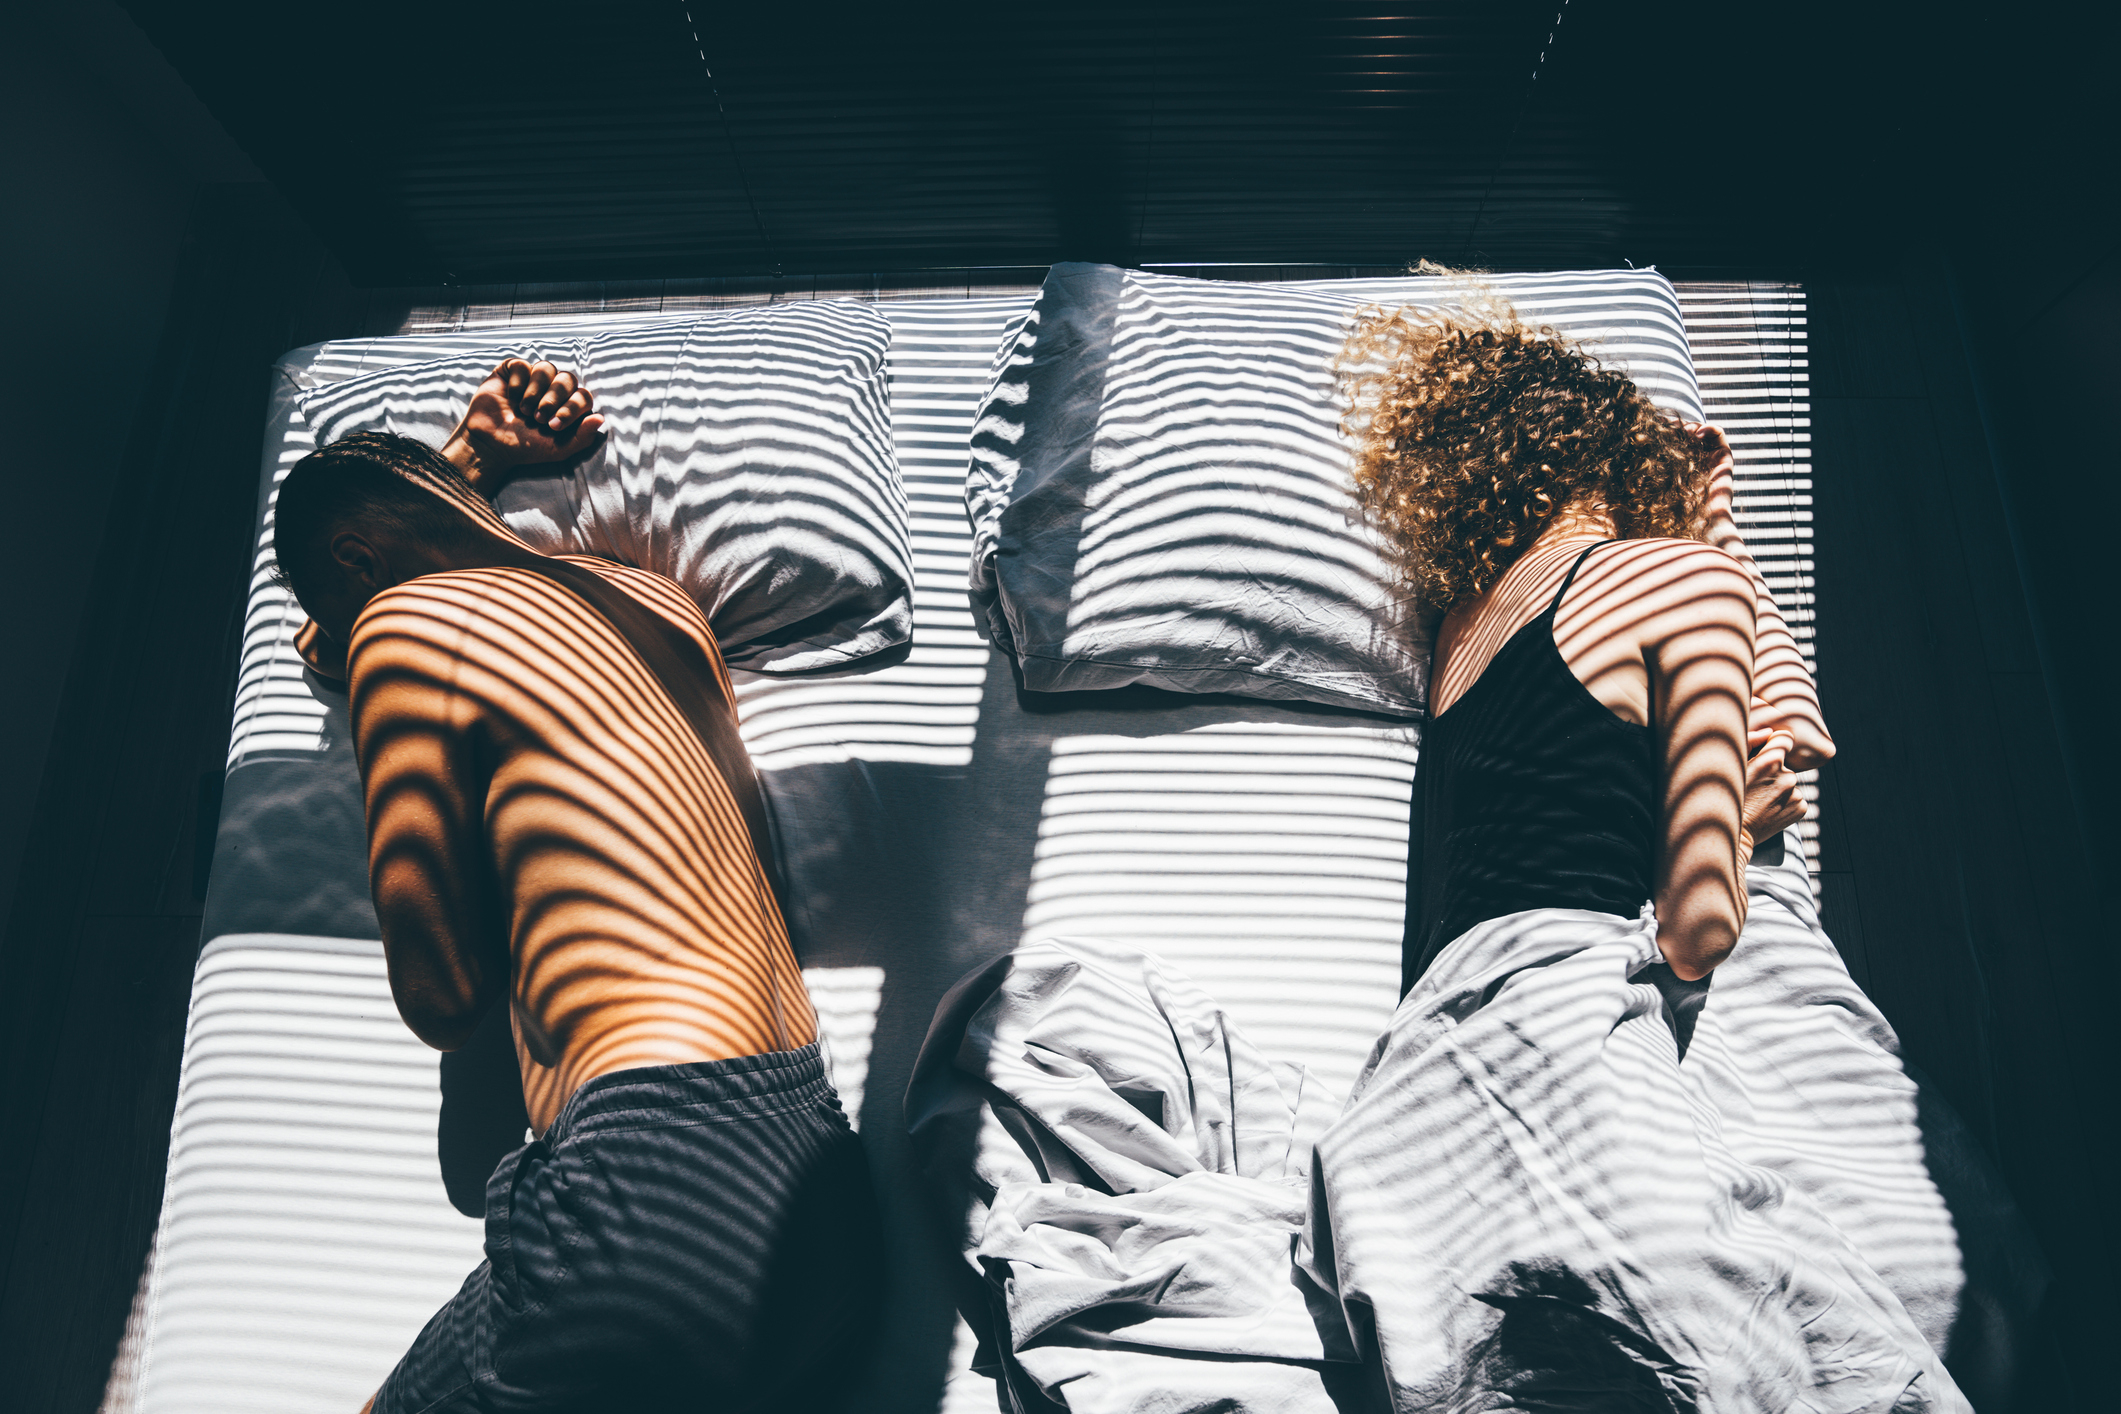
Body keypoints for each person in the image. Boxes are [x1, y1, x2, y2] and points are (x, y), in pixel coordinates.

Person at [1299, 303, 1970, 1410]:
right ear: (1620, 450)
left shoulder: (1457, 627)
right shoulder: (1683, 582)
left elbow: (1772, 710)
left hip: (1426, 1055)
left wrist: (1711, 538)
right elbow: (1709, 906)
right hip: (1576, 1005)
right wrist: (1738, 831)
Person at [272, 359, 881, 1413]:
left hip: (658, 1178)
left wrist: (448, 491)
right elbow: (323, 631)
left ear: (358, 562)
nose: (334, 649)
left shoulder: (402, 624)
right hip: (820, 1191)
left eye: (337, 601)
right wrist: (470, 468)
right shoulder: (660, 603)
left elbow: (444, 998)